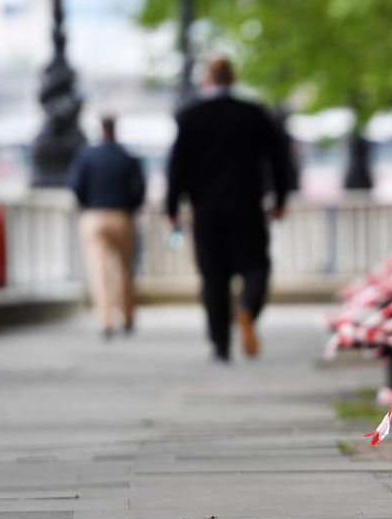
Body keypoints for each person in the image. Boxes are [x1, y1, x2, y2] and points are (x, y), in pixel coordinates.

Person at [165, 56, 292, 362]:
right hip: (247, 203)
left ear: (206, 80)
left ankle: (220, 345)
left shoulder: (190, 116)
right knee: (256, 266)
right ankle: (247, 308)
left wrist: (171, 207)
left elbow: (177, 166)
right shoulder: (253, 114)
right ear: (233, 78)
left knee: (213, 276)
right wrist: (280, 198)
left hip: (206, 207)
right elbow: (279, 159)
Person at [67, 114, 146, 338]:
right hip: (121, 215)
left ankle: (105, 321)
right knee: (123, 270)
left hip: (93, 216)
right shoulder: (127, 157)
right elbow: (139, 189)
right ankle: (127, 317)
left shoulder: (86, 156)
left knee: (98, 272)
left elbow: (75, 186)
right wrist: (129, 208)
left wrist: (88, 205)